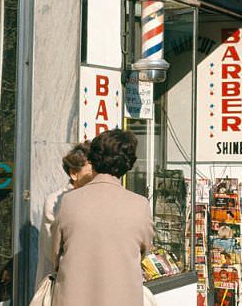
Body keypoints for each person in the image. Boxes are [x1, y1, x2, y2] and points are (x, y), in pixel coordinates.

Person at [51, 130, 154, 306]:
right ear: (128, 164)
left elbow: (55, 252)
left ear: (92, 160)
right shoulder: (140, 205)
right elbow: (143, 251)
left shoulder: (69, 201)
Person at [35, 142, 93, 283]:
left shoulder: (97, 197)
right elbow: (52, 249)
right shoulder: (56, 201)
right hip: (63, 281)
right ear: (74, 173)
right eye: (91, 171)